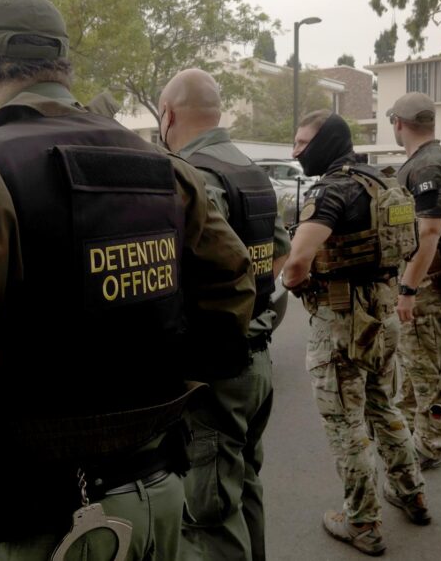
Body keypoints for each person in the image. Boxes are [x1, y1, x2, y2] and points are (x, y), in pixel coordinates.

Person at [0, 0, 256, 561]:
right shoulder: (163, 167)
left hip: (45, 518)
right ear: (63, 67)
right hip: (162, 492)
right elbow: (232, 286)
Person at [282, 110, 429, 557]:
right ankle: (411, 493)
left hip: (343, 322)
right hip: (383, 312)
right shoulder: (384, 182)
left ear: (324, 143)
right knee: (383, 404)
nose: (296, 151)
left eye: (302, 142)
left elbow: (297, 261)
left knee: (345, 421)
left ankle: (362, 522)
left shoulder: (332, 190)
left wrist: (293, 283)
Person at [158, 68, 291, 561]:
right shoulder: (250, 171)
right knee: (244, 483)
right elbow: (280, 252)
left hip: (216, 371)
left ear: (168, 115)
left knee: (208, 515)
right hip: (257, 362)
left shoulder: (192, 176)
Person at [387, 92, 441, 470]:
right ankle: (410, 430)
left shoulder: (429, 166)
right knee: (412, 364)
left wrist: (407, 289)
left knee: (425, 368)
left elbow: (430, 233)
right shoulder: (422, 161)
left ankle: (432, 442)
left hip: (423, 284)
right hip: (419, 281)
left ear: (399, 123)